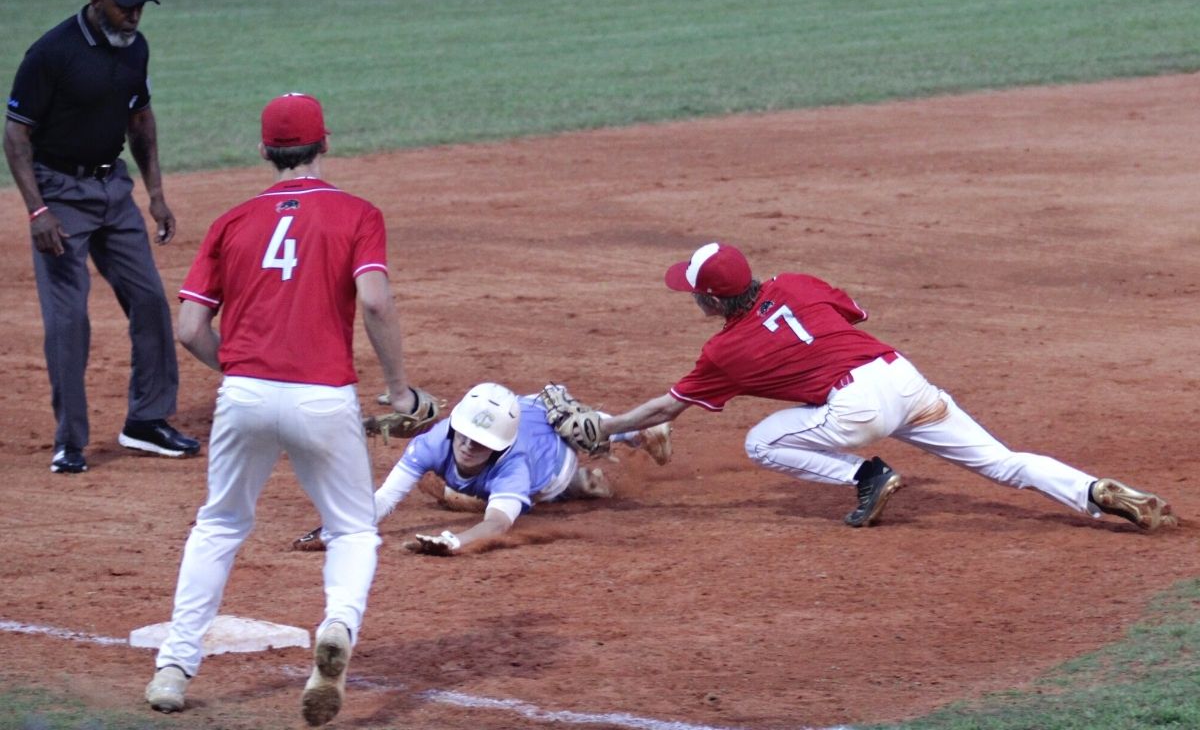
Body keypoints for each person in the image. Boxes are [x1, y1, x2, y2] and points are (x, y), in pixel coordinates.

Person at [143, 93, 431, 726]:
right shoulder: (358, 214)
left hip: (242, 394)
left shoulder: (231, 220)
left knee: (219, 525)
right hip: (322, 396)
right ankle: (335, 627)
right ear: (325, 144)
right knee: (352, 529)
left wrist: (245, 371)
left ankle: (172, 668)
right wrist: (400, 388)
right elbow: (376, 302)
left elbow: (190, 328)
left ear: (264, 152)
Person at [599, 241, 1177, 532]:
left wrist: (608, 426)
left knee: (762, 443)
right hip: (904, 378)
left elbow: (667, 407)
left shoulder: (723, 351)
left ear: (716, 299)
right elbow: (853, 316)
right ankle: (1096, 492)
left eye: (695, 292)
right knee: (1004, 463)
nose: (692, 298)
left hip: (858, 407)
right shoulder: (795, 281)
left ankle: (867, 475)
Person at [3, 0, 200, 473]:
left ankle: (146, 421)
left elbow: (140, 118)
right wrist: (37, 209)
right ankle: (70, 439)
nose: (134, 16)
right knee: (69, 320)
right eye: (125, 6)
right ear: (97, 1)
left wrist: (155, 193)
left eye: (141, 6)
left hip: (113, 189)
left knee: (150, 302)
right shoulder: (52, 53)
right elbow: (16, 133)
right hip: (59, 193)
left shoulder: (135, 47)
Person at [293, 382, 672, 556]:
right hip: (522, 410)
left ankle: (637, 432)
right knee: (451, 491)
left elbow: (496, 525)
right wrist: (340, 528)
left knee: (572, 433)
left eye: (482, 442)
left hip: (552, 464)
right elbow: (385, 499)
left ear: (499, 448)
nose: (469, 444)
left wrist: (456, 542)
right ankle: (598, 471)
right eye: (465, 435)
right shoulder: (433, 441)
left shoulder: (515, 466)